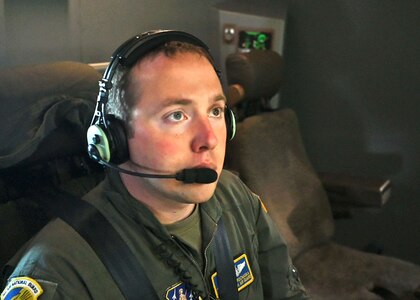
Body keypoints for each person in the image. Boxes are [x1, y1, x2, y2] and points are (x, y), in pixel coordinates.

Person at [1, 30, 309, 300]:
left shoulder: (236, 198)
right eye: (177, 115)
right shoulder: (60, 272)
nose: (209, 139)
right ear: (116, 138)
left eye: (215, 111)